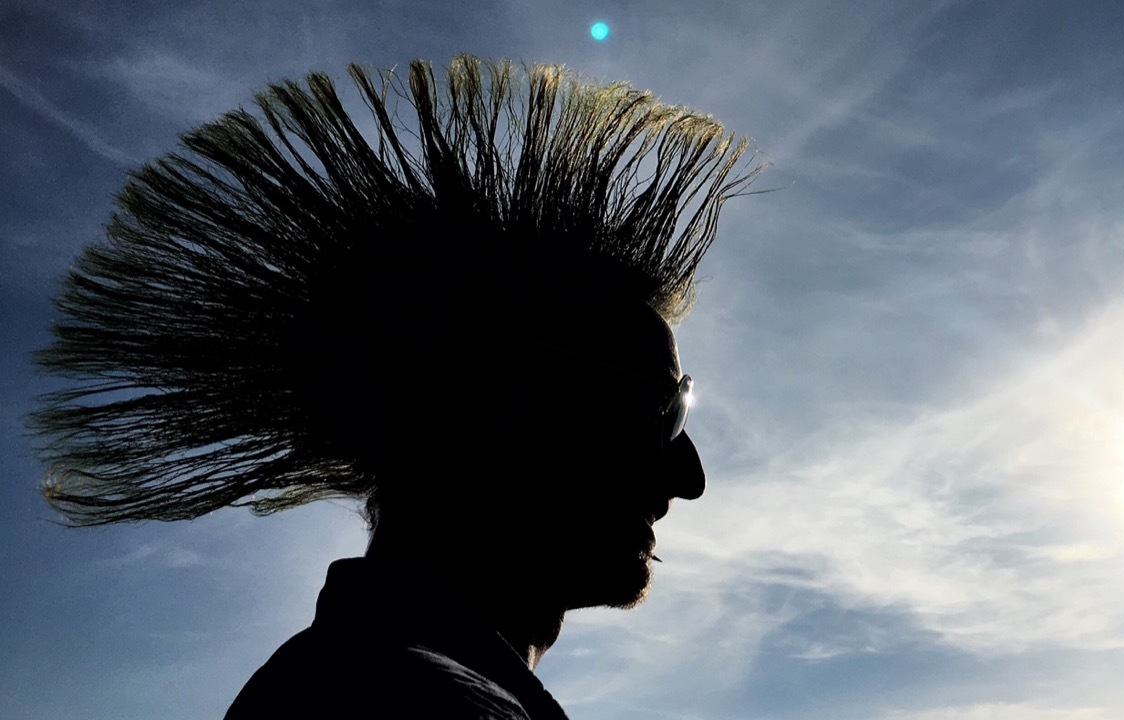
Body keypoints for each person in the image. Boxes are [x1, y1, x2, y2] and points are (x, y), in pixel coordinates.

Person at [31, 55, 759, 718]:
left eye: (681, 403)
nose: (689, 477)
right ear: (500, 412)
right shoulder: (399, 701)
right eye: (657, 411)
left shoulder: (363, 684)